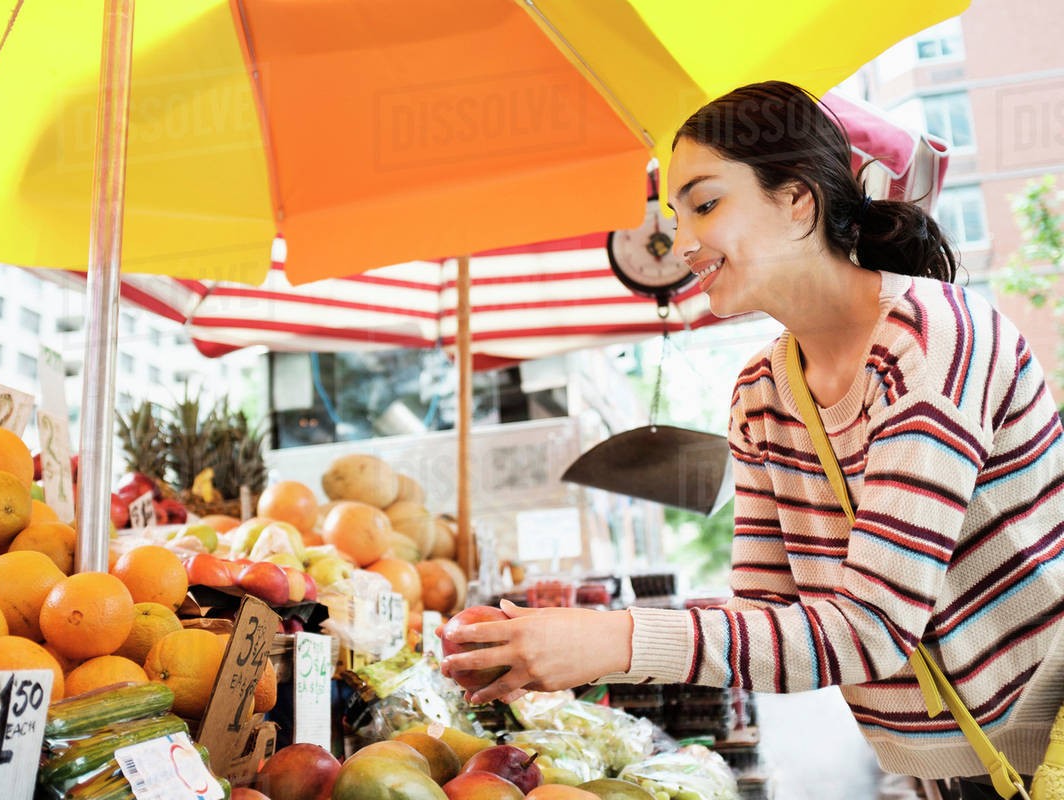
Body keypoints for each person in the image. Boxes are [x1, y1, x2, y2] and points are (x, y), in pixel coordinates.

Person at [440, 81, 1064, 798]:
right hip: (951, 769)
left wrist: (614, 641)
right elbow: (763, 618)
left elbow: (869, 630)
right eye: (676, 216)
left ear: (798, 202)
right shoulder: (762, 390)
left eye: (705, 205)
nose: (683, 242)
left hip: (1045, 744)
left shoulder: (933, 341)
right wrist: (585, 639)